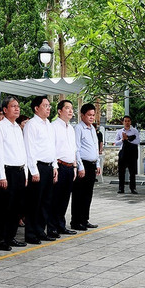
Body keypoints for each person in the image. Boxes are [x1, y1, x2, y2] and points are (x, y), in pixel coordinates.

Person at [0, 97, 27, 251]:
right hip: (8, 172)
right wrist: (2, 176)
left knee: (17, 207)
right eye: (13, 106)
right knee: (4, 207)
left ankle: (11, 237)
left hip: (19, 171)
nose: (17, 109)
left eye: (18, 106)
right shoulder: (0, 127)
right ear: (5, 110)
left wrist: (25, 172)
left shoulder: (17, 128)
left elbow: (22, 151)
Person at [23, 95, 58, 244]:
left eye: (49, 105)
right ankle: (31, 233)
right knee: (34, 202)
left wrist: (55, 165)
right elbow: (29, 148)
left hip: (49, 167)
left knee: (46, 201)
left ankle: (40, 230)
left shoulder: (49, 124)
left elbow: (52, 147)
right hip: (38, 168)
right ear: (36, 108)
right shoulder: (31, 125)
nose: (48, 108)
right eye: (45, 105)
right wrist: (33, 170)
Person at [50, 99, 80, 235]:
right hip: (59, 166)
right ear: (59, 111)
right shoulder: (53, 126)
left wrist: (74, 166)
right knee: (55, 198)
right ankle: (52, 227)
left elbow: (73, 149)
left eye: (71, 108)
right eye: (67, 108)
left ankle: (61, 225)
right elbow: (51, 149)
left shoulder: (71, 129)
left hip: (69, 167)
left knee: (65, 199)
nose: (70, 111)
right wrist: (54, 166)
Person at [71, 103, 101, 231]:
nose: (91, 117)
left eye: (93, 115)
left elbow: (95, 147)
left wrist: (98, 163)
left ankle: (85, 219)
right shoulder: (78, 128)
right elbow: (76, 148)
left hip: (92, 164)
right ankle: (76, 221)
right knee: (79, 194)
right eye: (89, 115)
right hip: (83, 165)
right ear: (82, 115)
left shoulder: (92, 129)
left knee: (88, 194)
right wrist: (80, 166)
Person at [114, 115, 139, 194]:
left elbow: (137, 141)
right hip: (123, 152)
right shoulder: (120, 131)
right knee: (121, 172)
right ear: (123, 122)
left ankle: (133, 188)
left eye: (128, 121)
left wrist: (128, 139)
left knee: (132, 172)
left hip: (132, 153)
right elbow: (116, 143)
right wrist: (123, 139)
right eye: (125, 121)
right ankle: (121, 188)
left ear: (130, 122)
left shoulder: (134, 131)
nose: (127, 123)